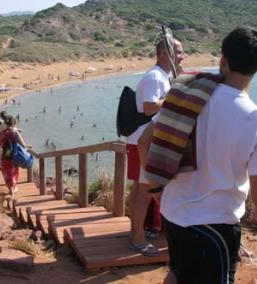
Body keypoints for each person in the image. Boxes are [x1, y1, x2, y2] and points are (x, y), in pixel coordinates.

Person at [138, 27, 257, 283]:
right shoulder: (253, 119)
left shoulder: (187, 96)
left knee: (176, 273)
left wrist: (156, 190)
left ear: (222, 60)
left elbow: (144, 142)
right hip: (216, 225)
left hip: (173, 214)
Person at [127, 37, 184, 256]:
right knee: (143, 191)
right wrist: (171, 96)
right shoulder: (154, 77)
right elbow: (149, 107)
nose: (182, 55)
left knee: (141, 190)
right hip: (144, 143)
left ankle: (136, 232)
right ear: (164, 53)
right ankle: (138, 239)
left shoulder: (163, 76)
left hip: (144, 141)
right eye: (177, 52)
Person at [0, 116, 29, 196]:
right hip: (14, 156)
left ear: (6, 124)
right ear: (14, 123)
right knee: (13, 172)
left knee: (6, 172)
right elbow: (23, 144)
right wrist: (27, 146)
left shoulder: (2, 133)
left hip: (5, 155)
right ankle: (13, 187)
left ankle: (10, 189)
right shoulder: (15, 133)